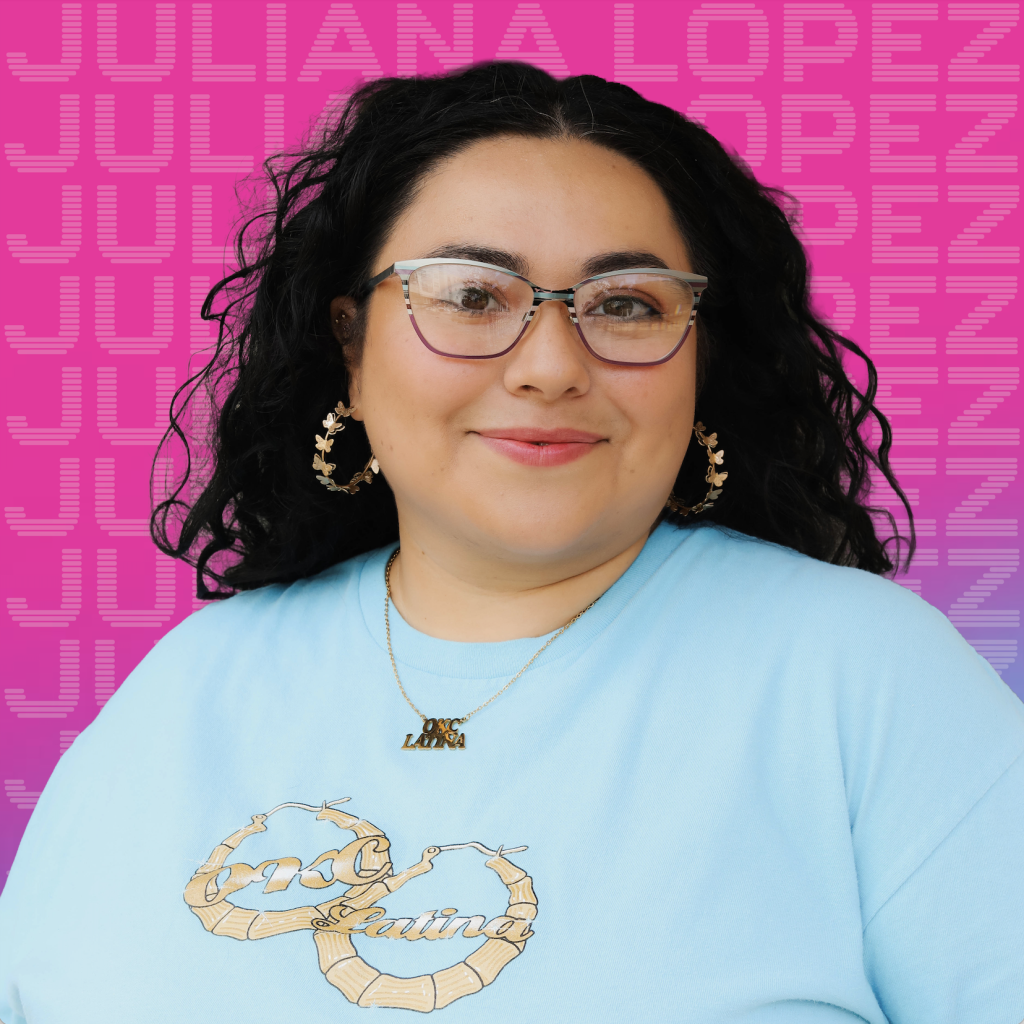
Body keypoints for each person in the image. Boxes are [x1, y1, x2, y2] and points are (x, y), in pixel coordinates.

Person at [1, 61, 1021, 1024]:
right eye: (470, 295)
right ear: (349, 349)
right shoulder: (185, 689)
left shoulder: (865, 678)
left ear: (702, 363)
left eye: (624, 305)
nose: (547, 365)